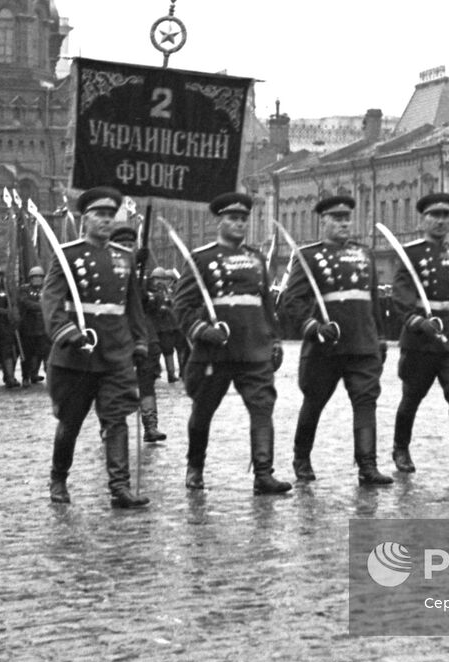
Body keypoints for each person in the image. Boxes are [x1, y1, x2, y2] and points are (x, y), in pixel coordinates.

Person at [172, 191, 290, 494]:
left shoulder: (256, 259)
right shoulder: (202, 259)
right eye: (232, 219)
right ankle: (195, 468)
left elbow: (266, 305)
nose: (238, 224)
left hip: (253, 349)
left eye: (242, 219)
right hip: (216, 352)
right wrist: (201, 329)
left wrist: (274, 339)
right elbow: (182, 306)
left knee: (263, 408)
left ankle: (264, 473)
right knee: (203, 410)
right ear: (219, 222)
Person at [41, 186, 149, 508]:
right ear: (84, 219)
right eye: (98, 215)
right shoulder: (67, 255)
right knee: (70, 423)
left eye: (109, 215)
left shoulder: (124, 256)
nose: (105, 220)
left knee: (116, 419)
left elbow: (133, 307)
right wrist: (66, 331)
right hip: (78, 354)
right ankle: (59, 477)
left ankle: (120, 487)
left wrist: (140, 341)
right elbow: (51, 300)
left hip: (116, 352)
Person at [281, 194, 393, 486]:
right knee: (314, 402)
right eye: (337, 218)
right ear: (323, 221)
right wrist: (313, 326)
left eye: (347, 218)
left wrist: (379, 338)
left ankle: (367, 466)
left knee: (366, 403)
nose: (344, 223)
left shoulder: (364, 254)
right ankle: (301, 458)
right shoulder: (308, 257)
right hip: (326, 347)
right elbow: (291, 301)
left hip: (362, 343)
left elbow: (373, 302)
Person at [388, 193, 449, 477]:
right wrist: (417, 320)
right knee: (412, 397)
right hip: (421, 340)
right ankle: (400, 448)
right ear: (424, 219)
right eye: (435, 215)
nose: (441, 220)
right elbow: (401, 294)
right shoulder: (410, 254)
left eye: (446, 215)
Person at [112, 224, 167, 445]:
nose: (127, 249)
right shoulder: (108, 270)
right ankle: (111, 425)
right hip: (117, 334)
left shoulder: (143, 271)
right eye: (122, 246)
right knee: (114, 383)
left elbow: (155, 302)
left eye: (130, 246)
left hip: (144, 334)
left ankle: (150, 426)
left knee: (147, 380)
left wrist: (145, 288)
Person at [17, 266, 48, 385]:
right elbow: (25, 302)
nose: (37, 279)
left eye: (39, 277)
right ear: (30, 278)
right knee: (27, 354)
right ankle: (25, 377)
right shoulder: (24, 289)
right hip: (27, 327)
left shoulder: (46, 289)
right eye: (35, 277)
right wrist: (42, 306)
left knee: (43, 353)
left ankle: (35, 374)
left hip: (43, 327)